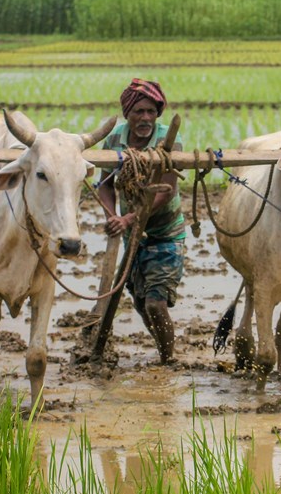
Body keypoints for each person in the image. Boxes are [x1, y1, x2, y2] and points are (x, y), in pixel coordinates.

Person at [98, 78, 186, 364]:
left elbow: (166, 189)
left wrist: (129, 218)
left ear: (157, 113)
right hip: (132, 235)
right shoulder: (114, 141)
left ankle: (168, 360)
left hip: (165, 233)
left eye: (150, 111)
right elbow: (105, 185)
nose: (145, 118)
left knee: (155, 303)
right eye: (139, 112)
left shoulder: (168, 141)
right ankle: (164, 350)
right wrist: (113, 216)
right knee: (139, 301)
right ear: (128, 114)